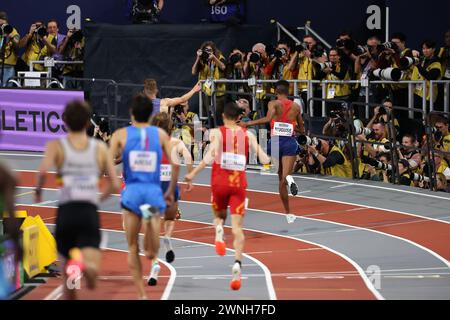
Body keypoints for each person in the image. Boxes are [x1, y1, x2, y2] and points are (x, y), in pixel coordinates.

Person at [34, 100, 120, 300]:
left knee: (68, 284)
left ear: (64, 121)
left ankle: (73, 267)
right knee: (90, 265)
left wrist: (38, 192)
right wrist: (97, 199)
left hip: (66, 212)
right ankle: (83, 265)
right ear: (88, 124)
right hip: (88, 212)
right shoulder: (98, 148)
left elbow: (41, 173)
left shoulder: (56, 146)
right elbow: (115, 184)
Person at [184, 102, 270, 290]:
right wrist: (266, 160)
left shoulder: (217, 133)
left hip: (219, 184)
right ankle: (237, 264)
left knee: (219, 217)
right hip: (238, 186)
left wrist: (192, 174)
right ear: (239, 117)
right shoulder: (248, 134)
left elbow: (208, 157)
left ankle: (219, 232)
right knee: (238, 228)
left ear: (223, 116)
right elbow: (265, 159)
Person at [108, 94, 178, 299]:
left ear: (131, 113)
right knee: (150, 247)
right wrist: (169, 192)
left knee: (132, 247)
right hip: (152, 194)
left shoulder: (121, 134)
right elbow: (174, 165)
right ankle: (152, 253)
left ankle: (141, 295)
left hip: (131, 195)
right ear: (151, 114)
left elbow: (107, 161)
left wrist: (112, 182)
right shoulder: (161, 136)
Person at [240, 80, 305, 214]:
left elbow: (268, 119)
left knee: (279, 176)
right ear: (288, 91)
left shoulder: (273, 103)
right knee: (285, 176)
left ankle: (287, 212)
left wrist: (248, 123)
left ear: (276, 91)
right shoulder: (296, 107)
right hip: (289, 142)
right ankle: (290, 180)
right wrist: (292, 127)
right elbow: (302, 129)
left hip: (275, 142)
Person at [146, 112, 194, 286]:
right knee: (170, 218)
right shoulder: (176, 142)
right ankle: (167, 236)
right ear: (171, 128)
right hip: (171, 188)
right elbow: (188, 156)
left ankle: (155, 265)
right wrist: (189, 175)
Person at [0, 12, 20, 87]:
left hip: (8, 66)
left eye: (3, 25)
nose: (1, 27)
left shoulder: (13, 31)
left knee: (6, 89)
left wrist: (11, 38)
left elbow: (17, 48)